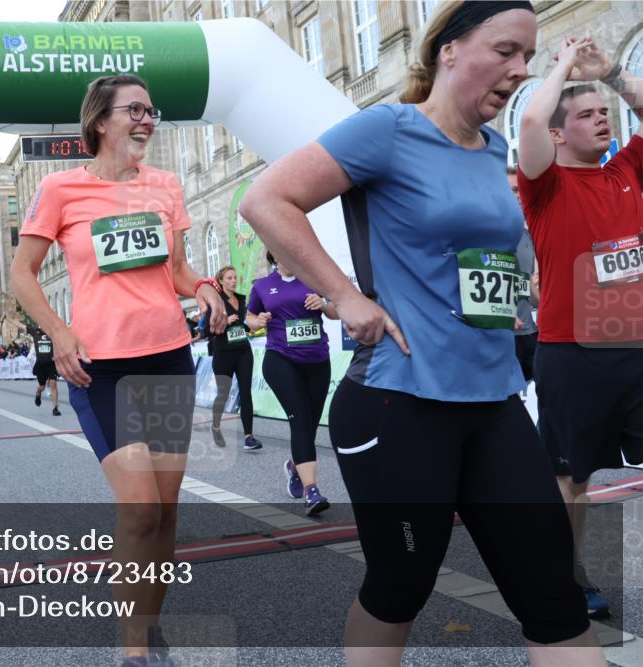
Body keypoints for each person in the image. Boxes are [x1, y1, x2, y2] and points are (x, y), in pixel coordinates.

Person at [239, 3, 604, 665]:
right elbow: (266, 199)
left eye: (528, 55)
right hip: (399, 399)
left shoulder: (494, 150)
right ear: (449, 50)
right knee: (401, 584)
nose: (519, 68)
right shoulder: (388, 130)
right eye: (505, 50)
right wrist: (346, 295)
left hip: (494, 402)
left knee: (554, 594)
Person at [10, 74, 226, 666]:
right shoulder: (60, 188)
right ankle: (132, 655)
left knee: (166, 515)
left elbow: (178, 271)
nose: (146, 119)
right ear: (100, 121)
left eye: (151, 110)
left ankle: (148, 630)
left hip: (168, 359)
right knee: (142, 511)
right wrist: (59, 332)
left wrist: (205, 289)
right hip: (99, 368)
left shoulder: (165, 186)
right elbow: (22, 273)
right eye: (133, 110)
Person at [517, 36, 643, 618]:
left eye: (605, 114)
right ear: (561, 134)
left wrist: (613, 74)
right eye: (587, 115)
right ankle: (570, 574)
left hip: (636, 348)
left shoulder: (627, 171)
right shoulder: (545, 187)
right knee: (572, 479)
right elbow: (531, 122)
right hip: (572, 352)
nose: (602, 121)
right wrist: (564, 65)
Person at [247, 250, 338, 515]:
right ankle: (312, 491)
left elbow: (335, 311)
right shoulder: (263, 286)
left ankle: (295, 465)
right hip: (280, 360)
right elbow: (250, 318)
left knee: (309, 423)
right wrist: (258, 321)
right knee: (299, 419)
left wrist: (322, 303)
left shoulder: (313, 278)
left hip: (318, 360)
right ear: (274, 255)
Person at [203, 265, 262, 451]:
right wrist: (224, 322)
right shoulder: (216, 302)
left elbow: (243, 325)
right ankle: (216, 427)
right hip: (223, 354)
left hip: (243, 351)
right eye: (229, 278)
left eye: (235, 277)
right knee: (223, 394)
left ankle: (249, 437)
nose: (233, 281)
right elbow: (205, 331)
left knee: (246, 392)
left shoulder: (242, 300)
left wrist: (253, 325)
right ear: (221, 281)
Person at [506, 167, 541, 384]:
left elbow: (524, 281)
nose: (519, 196)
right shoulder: (485, 233)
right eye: (512, 190)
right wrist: (500, 314)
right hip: (502, 335)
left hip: (530, 330)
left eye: (520, 190)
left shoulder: (526, 233)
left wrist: (547, 308)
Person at [29, 324, 62, 416]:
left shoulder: (52, 332)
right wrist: (4, 319)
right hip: (41, 364)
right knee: (42, 387)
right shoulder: (35, 332)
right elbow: (21, 326)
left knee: (53, 384)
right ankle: (38, 392)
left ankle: (55, 408)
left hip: (51, 363)